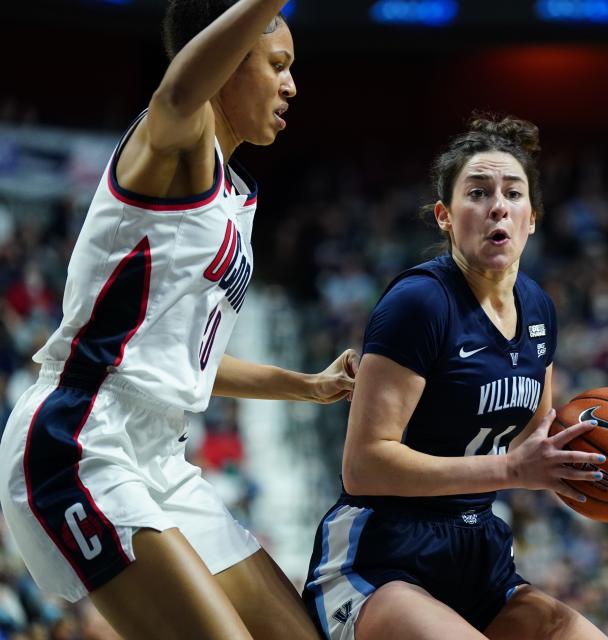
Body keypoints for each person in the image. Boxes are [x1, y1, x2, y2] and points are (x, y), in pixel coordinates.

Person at [0, 1, 357, 638]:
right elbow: (179, 88)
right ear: (224, 59)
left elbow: (180, 363)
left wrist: (305, 385)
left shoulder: (234, 195)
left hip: (160, 450)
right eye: (276, 64)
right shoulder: (174, 142)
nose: (291, 85)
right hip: (80, 439)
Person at [302, 114, 608, 640]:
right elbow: (364, 466)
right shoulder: (420, 303)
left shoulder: (539, 307)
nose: (498, 205)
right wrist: (511, 472)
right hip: (382, 556)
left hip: (478, 554)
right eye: (477, 192)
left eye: (513, 193)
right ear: (444, 216)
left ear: (532, 218)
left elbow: (537, 436)